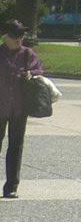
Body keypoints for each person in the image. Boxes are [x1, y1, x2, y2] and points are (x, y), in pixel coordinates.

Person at [0, 18, 43, 199]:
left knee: (16, 146)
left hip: (19, 108)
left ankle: (11, 186)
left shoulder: (27, 54)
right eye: (14, 35)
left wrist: (31, 73)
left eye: (21, 35)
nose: (19, 39)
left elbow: (39, 70)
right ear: (4, 36)